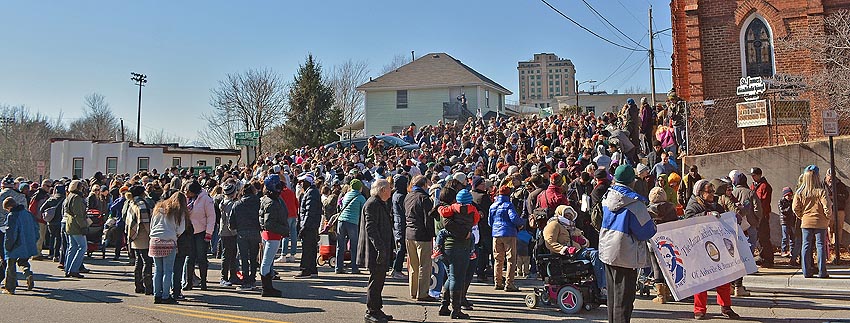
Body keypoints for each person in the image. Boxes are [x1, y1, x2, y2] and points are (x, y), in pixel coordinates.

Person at [599, 165, 657, 323]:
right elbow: (646, 231)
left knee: (613, 298)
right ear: (632, 182)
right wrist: (652, 221)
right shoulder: (635, 204)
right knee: (624, 301)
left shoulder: (607, 197)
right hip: (625, 254)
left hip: (607, 250)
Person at [684, 180, 739, 320]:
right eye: (709, 192)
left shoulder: (716, 205)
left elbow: (723, 219)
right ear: (700, 193)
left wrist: (733, 218)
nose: (712, 194)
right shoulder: (693, 205)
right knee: (701, 280)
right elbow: (688, 220)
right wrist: (705, 215)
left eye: (713, 191)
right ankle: (699, 310)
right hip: (699, 248)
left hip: (717, 246)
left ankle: (726, 307)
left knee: (724, 278)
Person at [543, 205, 606, 296]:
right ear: (561, 213)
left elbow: (586, 241)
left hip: (577, 252)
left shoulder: (572, 227)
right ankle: (603, 287)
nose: (569, 217)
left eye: (571, 215)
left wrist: (583, 242)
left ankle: (599, 284)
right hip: (565, 255)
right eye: (567, 214)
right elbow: (549, 242)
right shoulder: (554, 224)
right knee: (594, 254)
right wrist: (565, 249)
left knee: (599, 254)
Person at [357, 179, 395, 323]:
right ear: (382, 190)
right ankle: (371, 311)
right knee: (375, 281)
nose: (391, 191)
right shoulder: (372, 204)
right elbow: (371, 228)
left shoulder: (379, 203)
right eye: (389, 189)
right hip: (375, 250)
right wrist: (380, 248)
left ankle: (377, 309)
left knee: (379, 281)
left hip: (382, 248)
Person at [437, 189, 476, 319]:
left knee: (451, 277)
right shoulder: (472, 210)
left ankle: (444, 305)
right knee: (457, 278)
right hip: (460, 247)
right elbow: (476, 221)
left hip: (447, 246)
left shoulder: (451, 209)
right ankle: (456, 309)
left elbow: (443, 216)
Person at [793, 166, 832, 279]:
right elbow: (827, 207)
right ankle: (822, 272)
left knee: (806, 245)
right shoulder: (821, 192)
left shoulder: (800, 193)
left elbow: (795, 208)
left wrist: (802, 216)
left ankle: (806, 271)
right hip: (820, 222)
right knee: (820, 246)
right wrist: (827, 217)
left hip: (806, 221)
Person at [148, 192, 187, 304]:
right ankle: (166, 295)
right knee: (168, 270)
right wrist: (175, 235)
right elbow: (181, 229)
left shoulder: (158, 209)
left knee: (158, 270)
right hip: (169, 240)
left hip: (155, 240)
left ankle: (157, 294)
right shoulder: (179, 211)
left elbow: (152, 225)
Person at [403, 175, 437, 302]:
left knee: (413, 265)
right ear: (423, 185)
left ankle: (413, 290)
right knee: (424, 265)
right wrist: (432, 234)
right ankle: (422, 293)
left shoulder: (408, 196)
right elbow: (428, 220)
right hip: (422, 235)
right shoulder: (424, 198)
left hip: (409, 233)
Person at [489, 186, 524, 292]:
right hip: (509, 233)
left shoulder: (493, 205)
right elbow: (514, 218)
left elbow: (490, 222)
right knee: (511, 259)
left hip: (496, 234)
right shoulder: (509, 205)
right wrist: (522, 222)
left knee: (498, 259)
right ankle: (509, 283)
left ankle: (497, 282)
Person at [646, 187, 677, 304]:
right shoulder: (671, 209)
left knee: (656, 266)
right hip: (669, 241)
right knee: (670, 266)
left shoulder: (648, 211)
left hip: (653, 241)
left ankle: (660, 295)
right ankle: (669, 292)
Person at [259, 174, 288, 297]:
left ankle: (268, 287)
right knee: (266, 263)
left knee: (267, 263)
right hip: (272, 235)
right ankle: (267, 288)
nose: (280, 189)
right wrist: (284, 230)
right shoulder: (272, 202)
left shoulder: (270, 199)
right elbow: (269, 223)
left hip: (271, 235)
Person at [2, 197, 39, 294]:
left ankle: (10, 287)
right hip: (28, 243)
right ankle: (28, 274)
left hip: (16, 244)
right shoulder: (27, 214)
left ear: (9, 207)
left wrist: (8, 246)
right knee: (24, 262)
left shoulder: (12, 215)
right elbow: (36, 228)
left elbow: (11, 233)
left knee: (11, 266)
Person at [230, 183, 261, 291]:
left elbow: (231, 223)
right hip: (255, 232)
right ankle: (252, 279)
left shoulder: (237, 204)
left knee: (244, 258)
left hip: (242, 233)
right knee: (253, 257)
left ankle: (245, 280)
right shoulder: (258, 202)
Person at [126, 185, 153, 295]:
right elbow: (145, 222)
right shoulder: (141, 204)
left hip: (134, 236)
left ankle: (138, 285)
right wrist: (151, 234)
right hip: (143, 236)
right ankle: (148, 287)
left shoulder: (131, 202)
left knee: (139, 261)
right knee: (147, 261)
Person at [336, 179, 366, 274]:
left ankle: (338, 267)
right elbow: (364, 211)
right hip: (352, 222)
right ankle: (354, 268)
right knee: (354, 246)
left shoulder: (346, 195)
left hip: (341, 221)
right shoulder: (361, 198)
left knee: (340, 246)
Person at [295, 173, 322, 279]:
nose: (301, 184)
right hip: (312, 225)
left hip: (309, 226)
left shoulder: (310, 193)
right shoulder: (312, 192)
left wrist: (304, 227)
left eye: (302, 182)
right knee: (311, 248)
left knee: (307, 249)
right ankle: (312, 269)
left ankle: (305, 270)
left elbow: (309, 212)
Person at [470, 176, 493, 284]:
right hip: (484, 227)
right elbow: (489, 212)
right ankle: (483, 271)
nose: (484, 186)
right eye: (482, 184)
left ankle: (478, 270)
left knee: (477, 249)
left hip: (475, 226)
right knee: (485, 250)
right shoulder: (483, 197)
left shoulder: (470, 195)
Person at [749, 167, 774, 268]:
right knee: (758, 237)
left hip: (762, 216)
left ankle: (768, 259)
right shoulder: (753, 186)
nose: (753, 177)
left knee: (764, 237)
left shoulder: (765, 186)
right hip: (755, 216)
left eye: (754, 175)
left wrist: (759, 214)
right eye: (752, 175)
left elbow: (764, 202)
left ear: (759, 175)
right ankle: (762, 256)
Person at [63, 180, 88, 278]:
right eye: (81, 186)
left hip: (69, 223)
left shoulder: (69, 196)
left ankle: (68, 268)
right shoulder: (77, 198)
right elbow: (78, 214)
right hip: (76, 225)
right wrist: (83, 226)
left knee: (72, 247)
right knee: (82, 247)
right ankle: (74, 269)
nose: (82, 188)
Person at [216, 182, 239, 286]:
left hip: (223, 231)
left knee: (229, 255)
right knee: (229, 255)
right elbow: (231, 221)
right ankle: (224, 277)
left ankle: (232, 276)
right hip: (229, 233)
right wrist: (235, 232)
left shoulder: (223, 202)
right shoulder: (231, 205)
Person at [823, 168, 848, 264]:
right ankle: (830, 246)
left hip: (839, 209)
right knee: (829, 227)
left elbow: (845, 195)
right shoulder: (822, 184)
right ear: (826, 175)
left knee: (839, 228)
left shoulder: (840, 185)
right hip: (828, 209)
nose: (830, 179)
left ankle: (837, 245)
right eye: (829, 177)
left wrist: (835, 197)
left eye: (832, 177)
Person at [390, 174, 409, 279]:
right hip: (402, 223)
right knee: (401, 248)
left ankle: (395, 268)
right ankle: (397, 269)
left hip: (397, 223)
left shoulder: (395, 194)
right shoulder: (401, 196)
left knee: (399, 247)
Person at [278, 177, 299, 263]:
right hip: (293, 214)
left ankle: (283, 254)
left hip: (286, 215)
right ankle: (293, 255)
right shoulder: (291, 192)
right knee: (293, 235)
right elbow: (296, 203)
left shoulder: (280, 193)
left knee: (285, 235)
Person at [779, 187, 801, 266]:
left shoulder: (792, 202)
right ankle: (783, 250)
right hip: (784, 221)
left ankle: (792, 251)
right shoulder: (782, 202)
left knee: (792, 238)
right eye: (787, 195)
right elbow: (783, 211)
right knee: (785, 237)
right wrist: (789, 208)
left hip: (791, 222)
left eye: (790, 195)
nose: (789, 197)